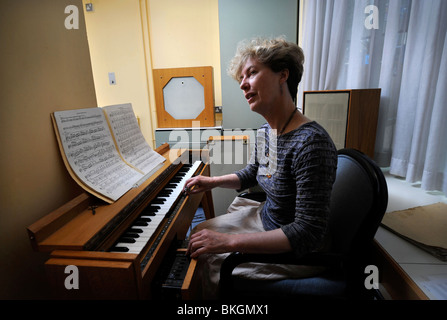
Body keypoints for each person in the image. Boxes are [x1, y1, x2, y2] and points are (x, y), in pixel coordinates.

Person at [184, 37, 337, 298]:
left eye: (252, 73)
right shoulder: (266, 131)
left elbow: (307, 233)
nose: (243, 84)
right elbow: (251, 174)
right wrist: (213, 181)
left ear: (282, 75)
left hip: (292, 247)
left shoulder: (311, 143)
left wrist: (228, 242)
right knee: (200, 233)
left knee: (207, 257)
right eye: (241, 78)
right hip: (265, 218)